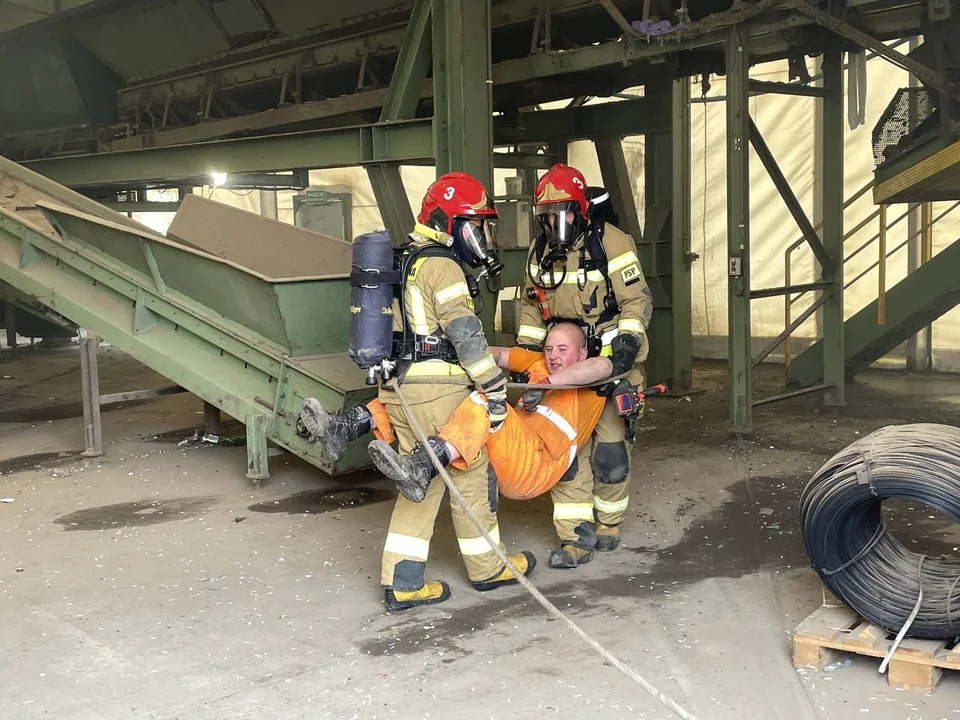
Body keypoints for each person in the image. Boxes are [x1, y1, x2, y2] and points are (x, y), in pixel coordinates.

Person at [301, 172, 535, 612]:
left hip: (399, 388)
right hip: (438, 389)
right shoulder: (443, 266)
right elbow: (465, 335)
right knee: (470, 474)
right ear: (449, 222)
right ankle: (489, 570)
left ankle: (402, 583)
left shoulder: (405, 259)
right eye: (473, 225)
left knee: (420, 484)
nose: (479, 236)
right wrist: (494, 386)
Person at [304, 323, 616, 569]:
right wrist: (449, 351)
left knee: (488, 402)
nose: (553, 356)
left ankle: (424, 465)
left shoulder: (592, 381)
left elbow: (602, 367)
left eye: (563, 349)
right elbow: (496, 355)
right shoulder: (537, 362)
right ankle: (344, 428)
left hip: (536, 465)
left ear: (582, 352)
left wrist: (547, 385)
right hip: (510, 447)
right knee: (430, 396)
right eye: (549, 348)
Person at [516, 163, 653, 560]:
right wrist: (528, 364)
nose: (555, 224)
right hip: (563, 369)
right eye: (547, 216)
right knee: (568, 453)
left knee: (610, 454)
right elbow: (530, 310)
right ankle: (575, 537)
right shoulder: (539, 252)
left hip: (609, 368)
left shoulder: (612, 242)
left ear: (580, 210)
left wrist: (625, 345)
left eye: (563, 214)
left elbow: (636, 300)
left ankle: (608, 521)